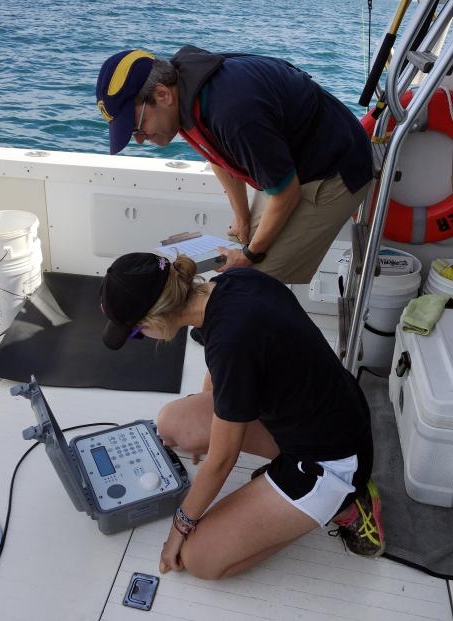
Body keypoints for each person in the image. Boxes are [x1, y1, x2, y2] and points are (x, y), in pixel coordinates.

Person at [100, 252, 385, 580]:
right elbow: (219, 371)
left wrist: (179, 527)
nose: (141, 339)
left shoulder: (233, 341)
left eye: (135, 334)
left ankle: (345, 507)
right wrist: (207, 429)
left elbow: (222, 461)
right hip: (328, 414)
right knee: (175, 425)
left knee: (199, 558)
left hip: (330, 461)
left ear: (155, 320)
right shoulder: (229, 283)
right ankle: (283, 489)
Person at [96, 46, 373, 285]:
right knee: (246, 244)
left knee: (256, 274)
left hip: (336, 169)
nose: (141, 140)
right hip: (288, 160)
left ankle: (259, 334)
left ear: (162, 95)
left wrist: (250, 255)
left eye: (138, 126)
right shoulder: (182, 94)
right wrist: (241, 218)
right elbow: (217, 156)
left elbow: (286, 194)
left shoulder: (232, 112)